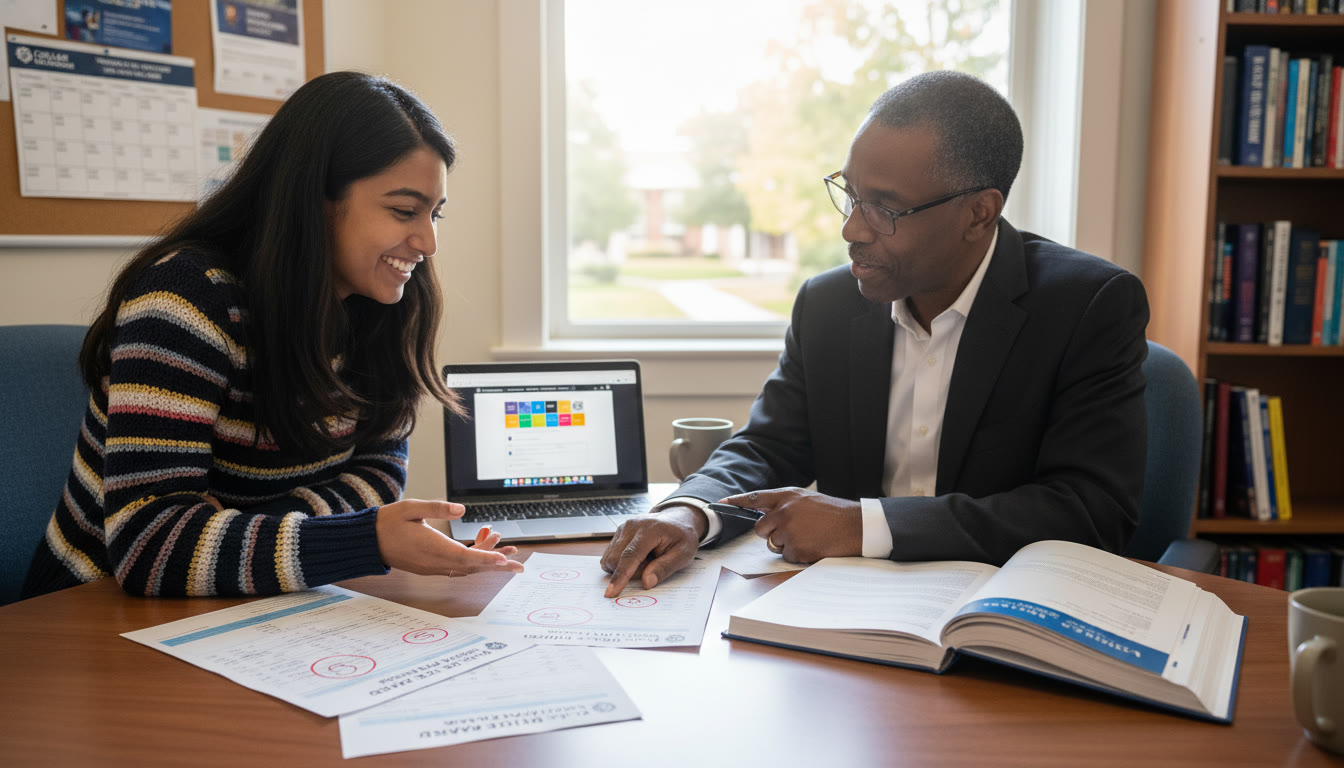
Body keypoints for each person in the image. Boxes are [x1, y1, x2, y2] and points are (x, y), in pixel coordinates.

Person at [601, 70, 1149, 598]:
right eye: (849, 193)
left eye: (884, 208)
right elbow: (769, 445)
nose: (851, 228)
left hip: (999, 611)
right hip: (847, 609)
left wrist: (863, 525)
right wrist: (691, 511)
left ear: (979, 214)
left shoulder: (1087, 306)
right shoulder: (828, 305)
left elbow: (1091, 511)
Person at [23, 71, 524, 599]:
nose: (428, 242)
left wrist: (240, 528)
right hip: (89, 609)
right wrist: (360, 538)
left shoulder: (384, 306)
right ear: (316, 199)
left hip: (253, 603)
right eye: (404, 211)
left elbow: (378, 476)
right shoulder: (187, 297)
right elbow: (150, 546)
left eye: (435, 213)